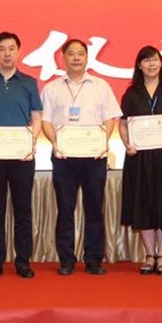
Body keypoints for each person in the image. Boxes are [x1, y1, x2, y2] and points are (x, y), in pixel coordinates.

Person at [41, 39, 122, 276]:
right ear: (63, 58)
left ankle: (94, 258)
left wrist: (102, 141)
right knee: (65, 209)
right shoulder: (52, 88)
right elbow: (45, 121)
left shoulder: (101, 86)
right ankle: (66, 259)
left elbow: (109, 119)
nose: (76, 58)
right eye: (71, 54)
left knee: (94, 208)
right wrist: (56, 143)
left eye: (80, 54)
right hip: (64, 157)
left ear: (87, 58)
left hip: (94, 156)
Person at [0, 32, 42, 279]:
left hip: (22, 157)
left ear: (18, 51)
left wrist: (31, 143)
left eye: (11, 48)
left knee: (22, 210)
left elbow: (36, 117)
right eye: (2, 49)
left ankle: (23, 261)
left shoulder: (29, 82)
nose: (7, 53)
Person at [119, 46, 162, 276]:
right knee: (144, 203)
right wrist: (127, 144)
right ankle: (149, 254)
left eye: (155, 60)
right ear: (139, 65)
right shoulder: (131, 93)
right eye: (146, 60)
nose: (151, 64)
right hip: (140, 158)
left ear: (161, 63)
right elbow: (123, 124)